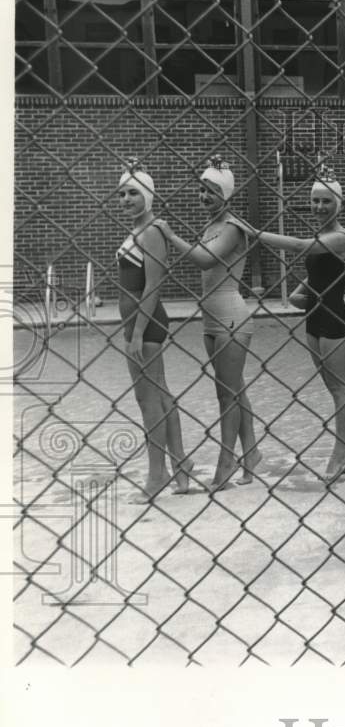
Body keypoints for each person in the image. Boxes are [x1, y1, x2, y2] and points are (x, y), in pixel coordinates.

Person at [234, 161, 345, 483]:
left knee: (340, 388)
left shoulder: (343, 236)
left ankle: (343, 449)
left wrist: (257, 234)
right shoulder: (323, 234)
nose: (318, 207)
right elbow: (317, 273)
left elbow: (303, 247)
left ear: (338, 204)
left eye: (326, 201)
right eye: (315, 200)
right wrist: (300, 292)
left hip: (335, 320)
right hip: (314, 318)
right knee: (333, 388)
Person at [155, 156, 262, 489]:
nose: (204, 197)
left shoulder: (231, 227)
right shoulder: (211, 226)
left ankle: (226, 463)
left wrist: (169, 234)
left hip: (231, 317)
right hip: (211, 320)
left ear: (226, 195)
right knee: (232, 389)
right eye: (201, 190)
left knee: (226, 394)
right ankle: (252, 452)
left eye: (212, 191)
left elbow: (204, 260)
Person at [114, 159, 191, 501]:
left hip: (144, 324)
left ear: (148, 195)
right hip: (139, 323)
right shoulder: (140, 229)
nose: (126, 199)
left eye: (133, 193)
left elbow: (153, 286)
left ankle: (156, 475)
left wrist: (137, 332)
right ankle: (181, 467)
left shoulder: (152, 231)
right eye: (122, 194)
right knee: (159, 394)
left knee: (148, 400)